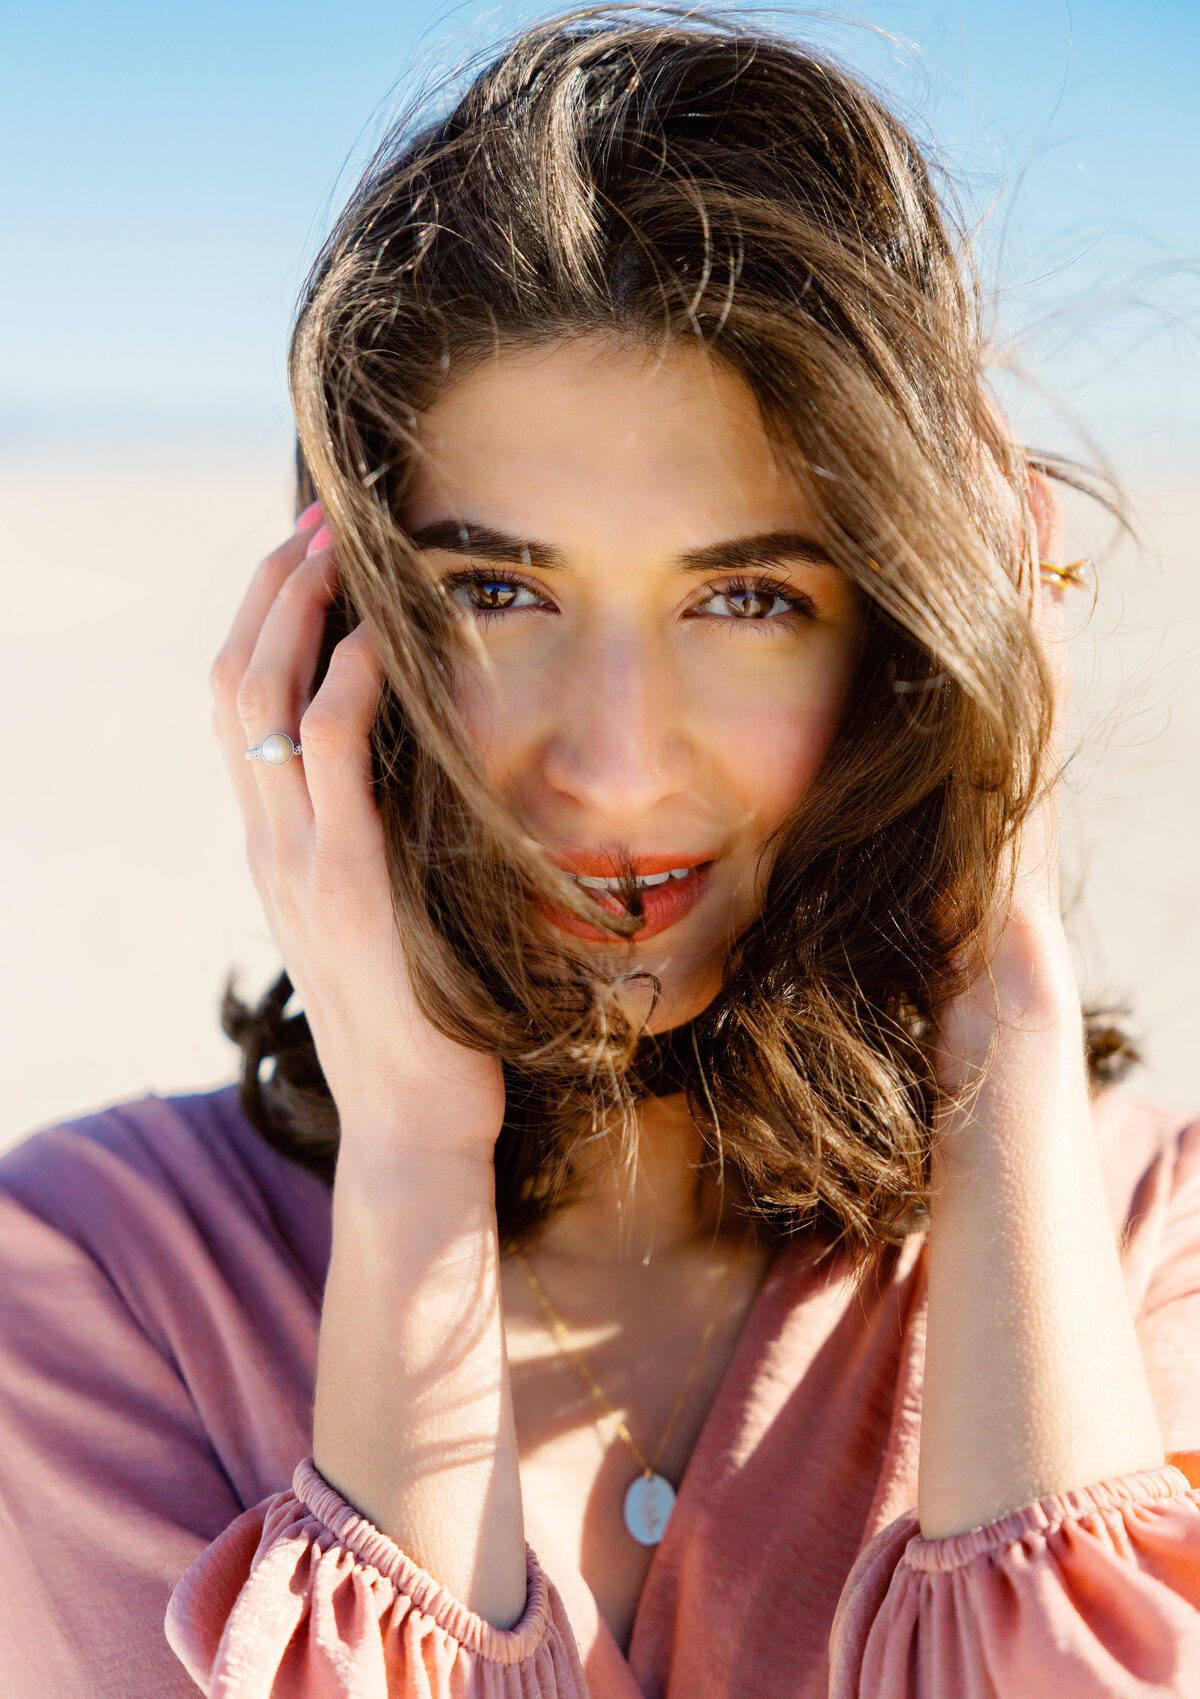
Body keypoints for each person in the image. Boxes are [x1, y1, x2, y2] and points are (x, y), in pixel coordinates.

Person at [3, 9, 1200, 1696]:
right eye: (498, 592)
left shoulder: (1153, 1243)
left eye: (749, 600)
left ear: (909, 651)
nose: (620, 766)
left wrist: (995, 1012)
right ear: (336, 628)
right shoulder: (89, 1281)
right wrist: (415, 1171)